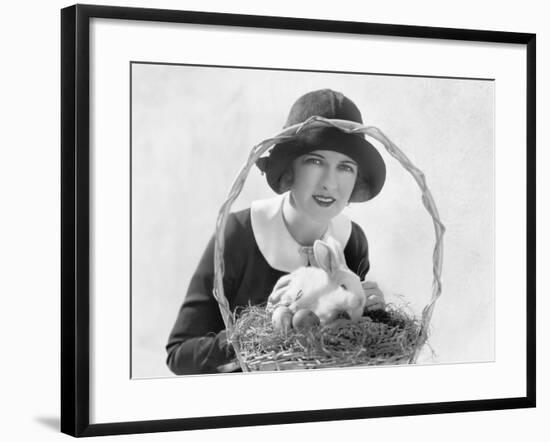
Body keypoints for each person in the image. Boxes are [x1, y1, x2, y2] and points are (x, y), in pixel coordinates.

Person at [166, 89, 386, 375]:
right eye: (315, 161)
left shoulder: (352, 240)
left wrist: (373, 313)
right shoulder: (238, 233)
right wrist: (260, 334)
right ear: (289, 168)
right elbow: (180, 355)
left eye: (345, 167)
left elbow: (346, 349)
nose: (330, 183)